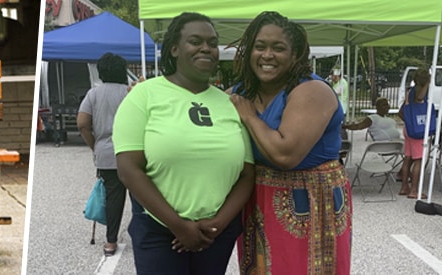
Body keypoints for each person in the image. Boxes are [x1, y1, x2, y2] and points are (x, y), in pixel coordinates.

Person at [113, 12, 255, 274]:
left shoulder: (231, 104)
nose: (206, 48)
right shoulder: (143, 96)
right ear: (175, 49)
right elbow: (128, 169)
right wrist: (179, 226)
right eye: (195, 41)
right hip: (159, 230)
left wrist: (217, 225)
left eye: (212, 43)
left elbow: (247, 174)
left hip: (216, 232)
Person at [227, 11, 351, 275]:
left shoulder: (311, 90)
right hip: (256, 197)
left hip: (310, 199)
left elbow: (285, 155)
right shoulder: (242, 92)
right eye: (260, 47)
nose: (267, 55)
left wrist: (249, 116)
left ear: (296, 55)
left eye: (278, 48)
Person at [76, 52, 130, 256]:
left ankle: (111, 241)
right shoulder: (130, 92)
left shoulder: (94, 94)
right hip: (132, 154)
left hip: (106, 154)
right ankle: (143, 234)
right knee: (141, 198)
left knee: (113, 198)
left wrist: (95, 145)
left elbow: (82, 124)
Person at [398, 68, 432, 199]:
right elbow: (420, 97)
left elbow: (401, 111)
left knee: (408, 158)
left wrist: (409, 121)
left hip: (409, 129)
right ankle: (414, 190)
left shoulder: (409, 91)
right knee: (419, 159)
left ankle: (404, 187)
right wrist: (428, 84)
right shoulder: (419, 91)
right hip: (418, 130)